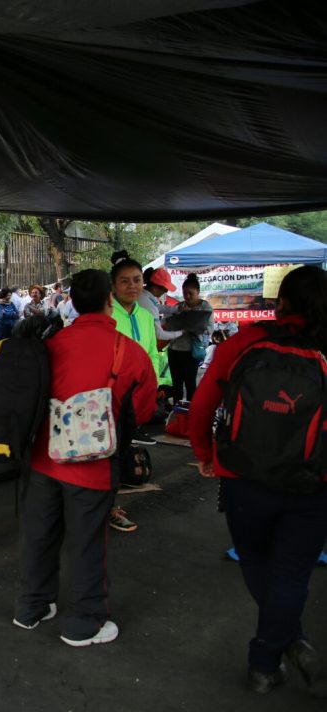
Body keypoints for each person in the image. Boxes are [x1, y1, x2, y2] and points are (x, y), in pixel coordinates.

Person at [188, 265, 327, 696]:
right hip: (313, 483)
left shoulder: (246, 342)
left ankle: (274, 654)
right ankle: (272, 656)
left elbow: (201, 406)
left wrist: (205, 455)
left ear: (280, 301)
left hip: (243, 476)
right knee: (291, 574)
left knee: (254, 559)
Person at [15, 269, 157, 646]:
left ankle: (32, 607)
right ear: (109, 299)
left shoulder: (53, 342)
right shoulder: (127, 350)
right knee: (86, 543)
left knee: (40, 535)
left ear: (72, 302)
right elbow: (142, 409)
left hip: (43, 458)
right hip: (92, 466)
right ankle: (85, 623)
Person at [108, 252, 161, 532]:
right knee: (108, 454)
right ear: (113, 286)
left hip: (138, 395)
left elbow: (152, 352)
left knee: (121, 450)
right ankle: (108, 507)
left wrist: (154, 385)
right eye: (125, 281)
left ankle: (105, 503)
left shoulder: (144, 314)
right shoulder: (107, 315)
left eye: (137, 280)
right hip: (111, 398)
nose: (132, 286)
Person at [168, 273, 214, 403]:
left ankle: (190, 413)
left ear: (198, 292)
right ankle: (176, 414)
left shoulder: (205, 307)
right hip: (174, 350)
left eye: (191, 293)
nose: (187, 296)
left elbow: (210, 328)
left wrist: (194, 324)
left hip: (190, 352)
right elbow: (168, 323)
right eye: (184, 293)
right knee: (176, 384)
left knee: (190, 384)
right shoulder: (179, 306)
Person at [139, 267, 184, 344]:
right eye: (164, 289)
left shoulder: (141, 296)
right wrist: (181, 332)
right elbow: (159, 334)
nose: (166, 291)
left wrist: (176, 309)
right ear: (155, 288)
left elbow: (157, 307)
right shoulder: (149, 306)